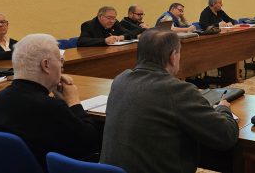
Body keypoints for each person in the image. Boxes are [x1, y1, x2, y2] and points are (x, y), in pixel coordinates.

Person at [100, 29, 239, 173]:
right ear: (173, 56)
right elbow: (226, 136)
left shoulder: (120, 80)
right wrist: (223, 108)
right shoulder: (176, 90)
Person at [0, 34, 102, 168]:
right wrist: (73, 101)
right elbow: (91, 143)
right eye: (60, 60)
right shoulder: (49, 107)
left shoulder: (1, 97)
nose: (62, 66)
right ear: (46, 65)